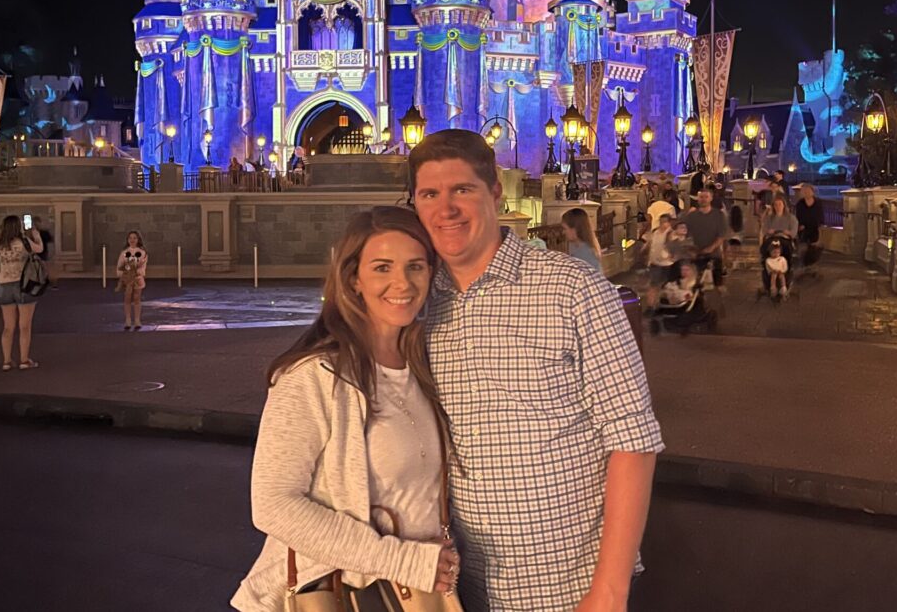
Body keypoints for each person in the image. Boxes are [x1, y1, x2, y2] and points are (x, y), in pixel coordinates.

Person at [409, 130, 663, 611]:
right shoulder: (423, 304)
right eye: (430, 194)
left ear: (495, 192)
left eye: (462, 189)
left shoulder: (570, 286)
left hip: (568, 583)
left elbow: (633, 438)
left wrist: (609, 591)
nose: (447, 208)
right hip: (466, 584)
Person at [232, 207, 460, 611]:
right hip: (343, 591)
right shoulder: (314, 376)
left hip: (418, 593)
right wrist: (402, 560)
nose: (401, 283)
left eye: (415, 267)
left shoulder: (423, 366)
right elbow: (273, 504)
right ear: (354, 279)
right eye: (382, 267)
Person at [0, 215, 44, 371]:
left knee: (8, 326)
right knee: (25, 326)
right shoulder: (23, 242)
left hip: (4, 284)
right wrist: (36, 236)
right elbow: (39, 250)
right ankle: (24, 359)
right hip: (23, 284)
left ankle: (7, 361)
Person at [681, 188, 728, 289]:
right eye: (701, 197)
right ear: (697, 199)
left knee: (718, 286)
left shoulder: (718, 215)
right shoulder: (692, 216)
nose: (703, 199)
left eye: (706, 197)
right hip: (696, 255)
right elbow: (684, 233)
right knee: (695, 285)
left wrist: (711, 248)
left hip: (714, 255)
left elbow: (722, 235)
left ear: (711, 198)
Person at [115, 231, 148, 330]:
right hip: (127, 280)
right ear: (128, 240)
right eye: (130, 238)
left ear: (138, 240)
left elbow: (143, 268)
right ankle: (128, 320)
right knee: (127, 299)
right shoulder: (124, 253)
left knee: (137, 299)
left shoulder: (142, 253)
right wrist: (125, 273)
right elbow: (119, 267)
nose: (132, 240)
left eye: (135, 238)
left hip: (137, 279)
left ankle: (137, 320)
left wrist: (137, 272)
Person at [645, 213, 678, 312]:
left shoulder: (671, 234)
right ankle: (651, 307)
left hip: (667, 264)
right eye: (661, 222)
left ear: (669, 223)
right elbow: (650, 244)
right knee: (653, 285)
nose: (662, 224)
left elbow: (676, 247)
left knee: (666, 286)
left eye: (665, 222)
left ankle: (663, 306)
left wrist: (672, 256)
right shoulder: (655, 232)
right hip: (655, 263)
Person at [561, 208, 603, 273]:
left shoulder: (586, 253)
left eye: (565, 228)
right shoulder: (573, 245)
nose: (563, 232)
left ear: (575, 229)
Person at [33, 216, 58, 289]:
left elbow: (50, 243)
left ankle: (47, 282)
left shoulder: (44, 233)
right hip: (36, 253)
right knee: (38, 269)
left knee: (44, 269)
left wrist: (51, 253)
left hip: (43, 253)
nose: (36, 225)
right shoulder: (32, 233)